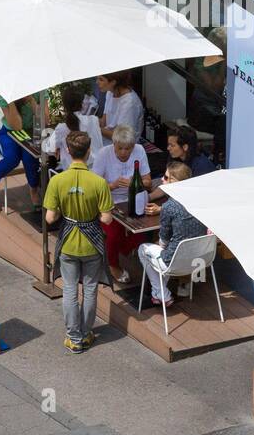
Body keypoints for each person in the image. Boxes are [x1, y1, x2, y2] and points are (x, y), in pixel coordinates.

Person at [43, 129, 114, 354]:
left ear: (67, 150)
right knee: (91, 289)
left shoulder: (57, 181)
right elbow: (106, 219)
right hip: (92, 242)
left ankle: (73, 338)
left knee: (70, 290)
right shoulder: (99, 182)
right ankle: (85, 333)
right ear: (89, 152)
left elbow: (50, 217)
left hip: (69, 243)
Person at [138, 160, 209, 308]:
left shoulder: (169, 207)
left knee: (143, 249)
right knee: (169, 249)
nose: (162, 180)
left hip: (176, 263)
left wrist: (160, 244)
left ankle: (161, 293)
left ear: (174, 182)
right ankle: (159, 292)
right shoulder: (201, 200)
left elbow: (163, 240)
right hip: (201, 259)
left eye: (165, 177)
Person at [92, 124, 152, 283]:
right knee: (113, 234)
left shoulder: (139, 150)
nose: (124, 152)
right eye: (120, 148)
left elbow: (148, 182)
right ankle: (113, 265)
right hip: (110, 200)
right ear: (114, 145)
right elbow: (94, 186)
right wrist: (112, 185)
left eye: (128, 149)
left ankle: (129, 250)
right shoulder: (104, 154)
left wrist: (135, 182)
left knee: (142, 230)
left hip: (135, 199)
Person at [0, 94, 40, 212]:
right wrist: (12, 100)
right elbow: (17, 126)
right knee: (12, 158)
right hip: (8, 133)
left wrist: (32, 100)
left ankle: (33, 189)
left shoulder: (39, 90)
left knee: (30, 156)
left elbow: (44, 120)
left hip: (30, 132)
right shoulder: (5, 94)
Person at [43, 84, 103, 171]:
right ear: (82, 103)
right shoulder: (94, 120)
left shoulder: (62, 128)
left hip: (72, 175)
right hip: (96, 172)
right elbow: (99, 146)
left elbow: (49, 149)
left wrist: (58, 148)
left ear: (64, 105)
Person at [149, 125, 215, 200]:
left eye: (172, 145)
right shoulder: (175, 157)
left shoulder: (202, 167)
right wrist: (149, 198)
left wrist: (161, 208)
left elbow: (195, 197)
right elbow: (166, 181)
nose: (168, 148)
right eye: (168, 144)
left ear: (185, 147)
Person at [97, 71, 144, 145]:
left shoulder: (130, 103)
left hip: (124, 148)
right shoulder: (110, 92)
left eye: (101, 79)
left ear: (113, 82)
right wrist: (86, 121)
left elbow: (121, 137)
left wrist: (94, 128)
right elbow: (104, 122)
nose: (97, 82)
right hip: (108, 143)